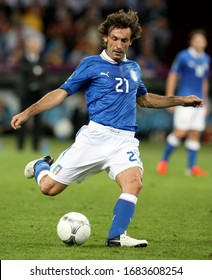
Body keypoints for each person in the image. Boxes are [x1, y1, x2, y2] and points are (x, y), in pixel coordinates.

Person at [11, 10, 203, 247]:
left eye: (124, 40)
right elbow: (61, 93)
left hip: (124, 141)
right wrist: (27, 112)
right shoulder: (91, 64)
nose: (119, 45)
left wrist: (180, 100)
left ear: (131, 41)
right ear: (105, 38)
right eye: (114, 39)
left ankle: (116, 236)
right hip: (95, 138)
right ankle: (41, 165)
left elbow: (144, 99)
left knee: (134, 181)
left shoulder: (133, 68)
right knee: (48, 188)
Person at [156, 29, 211, 176]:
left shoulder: (206, 59)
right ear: (191, 41)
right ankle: (164, 161)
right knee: (180, 132)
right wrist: (170, 98)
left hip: (199, 102)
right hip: (185, 100)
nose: (200, 42)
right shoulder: (183, 56)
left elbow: (204, 81)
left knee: (195, 133)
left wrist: (206, 101)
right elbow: (173, 76)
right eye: (197, 39)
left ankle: (191, 167)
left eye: (202, 39)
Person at [16, 35, 46, 151]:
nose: (35, 47)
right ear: (28, 47)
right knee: (22, 119)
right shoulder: (23, 58)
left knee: (38, 121)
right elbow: (24, 71)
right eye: (32, 45)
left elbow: (45, 73)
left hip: (38, 94)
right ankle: (20, 146)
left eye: (36, 45)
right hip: (26, 94)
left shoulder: (42, 59)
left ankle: (35, 146)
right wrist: (36, 70)